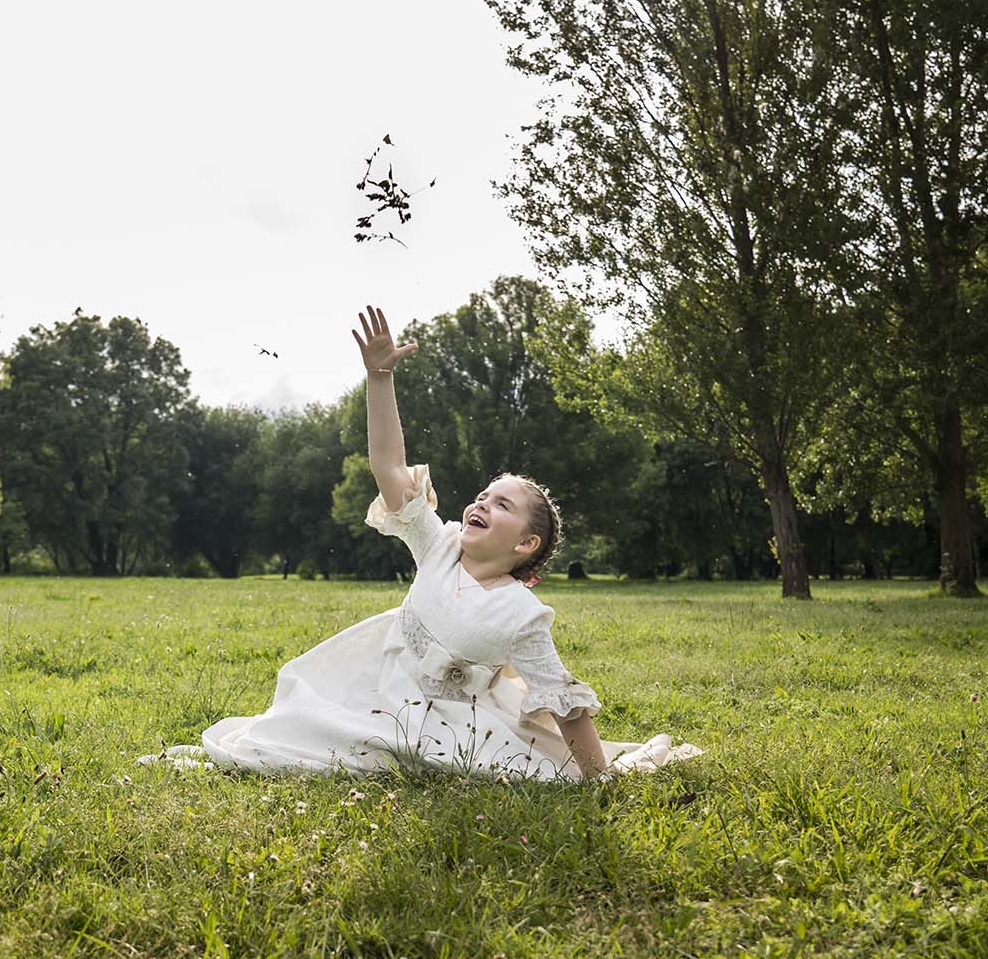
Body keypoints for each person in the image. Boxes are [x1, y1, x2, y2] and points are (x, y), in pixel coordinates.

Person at [154, 306, 701, 780]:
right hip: (374, 687)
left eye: (502, 505)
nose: (483, 504)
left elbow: (564, 703)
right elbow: (388, 463)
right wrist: (379, 379)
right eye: (484, 496)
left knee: (403, 760)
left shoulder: (522, 614)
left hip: (451, 722)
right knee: (299, 732)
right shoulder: (437, 542)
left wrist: (596, 776)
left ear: (527, 544)